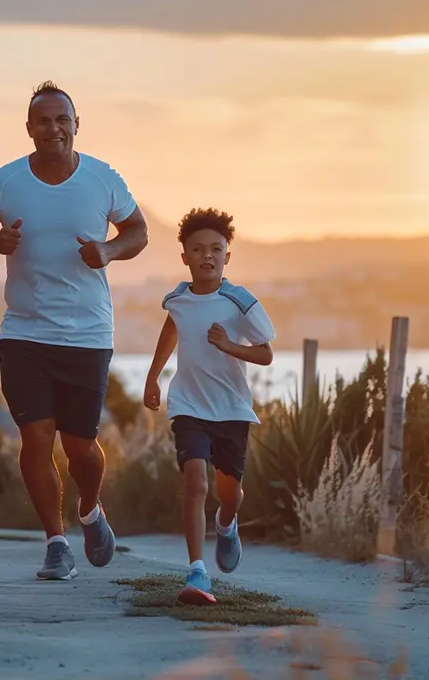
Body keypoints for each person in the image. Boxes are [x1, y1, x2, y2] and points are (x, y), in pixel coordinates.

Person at [0, 81, 149, 581]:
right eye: (43, 121)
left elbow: (138, 231)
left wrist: (107, 252)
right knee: (36, 438)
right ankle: (56, 543)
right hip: (23, 331)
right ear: (29, 129)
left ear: (76, 124)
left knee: (81, 447)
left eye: (62, 119)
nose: (53, 128)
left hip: (87, 333)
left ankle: (89, 509)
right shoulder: (7, 180)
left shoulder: (103, 179)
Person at [142, 208, 275, 605]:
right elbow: (172, 328)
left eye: (216, 249)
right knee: (195, 481)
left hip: (232, 409)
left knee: (230, 492)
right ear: (184, 256)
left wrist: (229, 346)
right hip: (189, 404)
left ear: (228, 255)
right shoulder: (178, 299)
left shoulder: (241, 301)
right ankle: (198, 572)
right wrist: (153, 376)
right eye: (198, 249)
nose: (207, 256)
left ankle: (227, 521)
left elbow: (266, 353)